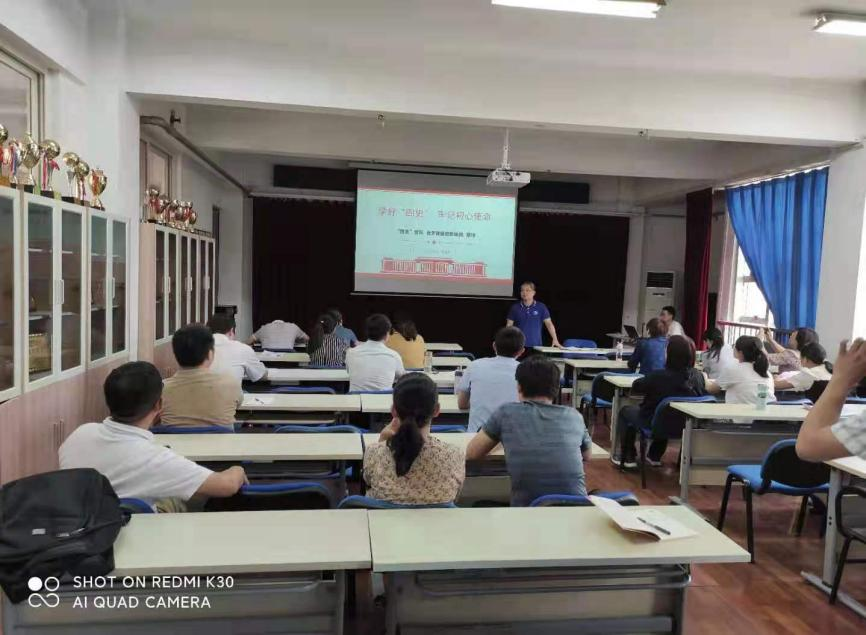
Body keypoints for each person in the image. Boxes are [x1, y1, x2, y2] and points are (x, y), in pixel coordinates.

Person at [59, 361, 247, 512]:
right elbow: (226, 486)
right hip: (137, 534)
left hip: (78, 531)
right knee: (180, 497)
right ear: (159, 405)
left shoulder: (78, 435)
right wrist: (237, 470)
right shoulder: (156, 459)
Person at [466, 356, 592, 506]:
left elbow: (472, 453)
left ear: (519, 386)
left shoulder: (505, 413)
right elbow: (587, 455)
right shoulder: (574, 416)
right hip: (576, 508)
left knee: (479, 504)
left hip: (528, 512)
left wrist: (502, 439)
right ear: (557, 388)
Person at [363, 373, 465, 504]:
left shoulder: (374, 453)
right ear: (436, 410)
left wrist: (382, 443)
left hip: (383, 518)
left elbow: (369, 482)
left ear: (394, 410)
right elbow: (455, 497)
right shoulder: (455, 456)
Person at [616, 336, 707, 469]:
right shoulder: (698, 377)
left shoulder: (658, 376)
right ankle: (654, 455)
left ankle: (628, 457)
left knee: (626, 411)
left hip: (654, 423)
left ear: (670, 355)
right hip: (685, 426)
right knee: (669, 412)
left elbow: (637, 386)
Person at [161, 324, 243, 430]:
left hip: (174, 441)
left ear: (175, 355)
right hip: (221, 441)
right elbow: (238, 404)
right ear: (210, 354)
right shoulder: (231, 384)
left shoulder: (161, 389)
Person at [797, 339, 866, 461]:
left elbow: (808, 446)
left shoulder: (807, 373)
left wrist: (842, 377)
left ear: (805, 359)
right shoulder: (827, 370)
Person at [456, 326, 524, 433]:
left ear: (494, 346)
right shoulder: (526, 371)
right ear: (521, 351)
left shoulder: (475, 365)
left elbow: (462, 404)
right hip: (512, 437)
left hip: (476, 437)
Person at [706, 336, 775, 405]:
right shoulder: (767, 373)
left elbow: (712, 389)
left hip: (740, 411)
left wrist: (705, 378)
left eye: (734, 347)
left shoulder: (733, 369)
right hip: (767, 410)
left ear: (740, 353)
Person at [346, 314, 406, 392]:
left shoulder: (351, 353)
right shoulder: (394, 355)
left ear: (366, 332)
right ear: (386, 334)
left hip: (356, 399)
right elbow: (401, 376)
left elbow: (349, 371)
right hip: (384, 399)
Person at [207, 313, 268, 383]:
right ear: (231, 331)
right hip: (231, 390)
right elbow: (261, 376)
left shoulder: (198, 348)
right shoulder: (243, 349)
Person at [506, 281, 562, 349]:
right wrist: (507, 340)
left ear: (534, 293)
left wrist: (555, 339)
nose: (524, 292)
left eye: (527, 290)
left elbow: (549, 324)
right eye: (522, 290)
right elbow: (509, 326)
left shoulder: (541, 307)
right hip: (518, 345)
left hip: (536, 346)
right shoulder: (515, 307)